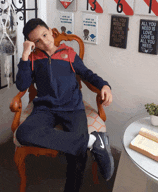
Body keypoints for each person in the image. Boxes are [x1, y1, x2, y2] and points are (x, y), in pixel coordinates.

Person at [15, 18, 114, 192]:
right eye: (37, 40)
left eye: (45, 35)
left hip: (72, 108)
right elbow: (22, 85)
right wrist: (24, 55)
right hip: (45, 109)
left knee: (77, 154)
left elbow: (87, 74)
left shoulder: (69, 53)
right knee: (24, 133)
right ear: (32, 43)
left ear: (51, 32)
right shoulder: (31, 58)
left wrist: (104, 86)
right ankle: (93, 141)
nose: (44, 42)